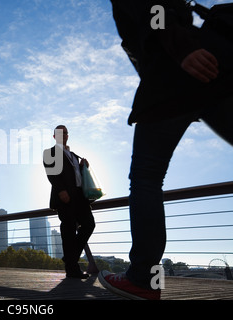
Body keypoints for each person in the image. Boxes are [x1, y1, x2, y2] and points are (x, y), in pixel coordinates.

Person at [99, 0, 233, 300]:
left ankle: (143, 279)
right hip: (215, 70)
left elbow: (152, 9)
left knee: (146, 177)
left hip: (173, 76)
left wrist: (182, 48)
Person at [43, 125, 95, 279]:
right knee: (69, 231)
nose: (62, 134)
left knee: (89, 225)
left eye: (65, 132)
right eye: (59, 132)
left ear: (68, 135)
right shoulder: (50, 152)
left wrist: (82, 166)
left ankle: (70, 257)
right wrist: (61, 190)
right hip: (64, 197)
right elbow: (51, 173)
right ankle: (72, 269)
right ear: (54, 136)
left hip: (80, 197)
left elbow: (76, 174)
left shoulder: (74, 155)